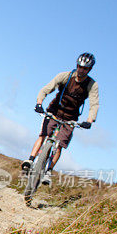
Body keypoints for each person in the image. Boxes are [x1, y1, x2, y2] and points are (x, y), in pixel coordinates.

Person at [21, 53, 99, 186]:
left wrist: (89, 120)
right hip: (54, 111)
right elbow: (47, 88)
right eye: (80, 67)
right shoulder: (65, 76)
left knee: (59, 145)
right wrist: (39, 103)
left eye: (85, 68)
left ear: (90, 69)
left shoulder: (92, 85)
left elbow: (94, 104)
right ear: (76, 65)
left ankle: (48, 171)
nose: (81, 70)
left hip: (71, 118)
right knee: (43, 135)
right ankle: (30, 160)